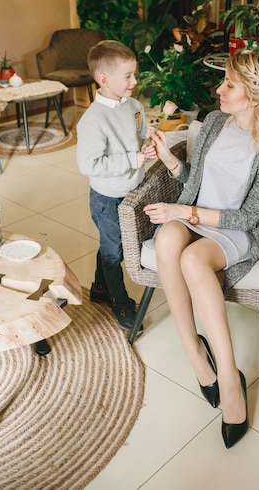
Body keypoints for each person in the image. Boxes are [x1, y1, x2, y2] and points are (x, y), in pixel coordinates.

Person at [143, 51, 259, 448]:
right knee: (169, 237)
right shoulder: (212, 123)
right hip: (196, 216)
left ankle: (228, 377)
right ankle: (195, 351)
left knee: (193, 257)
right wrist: (170, 162)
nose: (218, 90)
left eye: (229, 85)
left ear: (256, 96)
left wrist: (181, 210)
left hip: (235, 231)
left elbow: (245, 216)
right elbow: (196, 182)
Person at [77, 40, 156, 332]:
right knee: (114, 252)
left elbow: (140, 134)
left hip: (131, 191)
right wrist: (132, 158)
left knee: (112, 247)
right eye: (128, 76)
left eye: (135, 74)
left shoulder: (134, 106)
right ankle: (119, 301)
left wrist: (149, 145)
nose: (135, 81)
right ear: (104, 79)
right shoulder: (93, 121)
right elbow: (89, 165)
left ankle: (99, 288)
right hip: (107, 199)